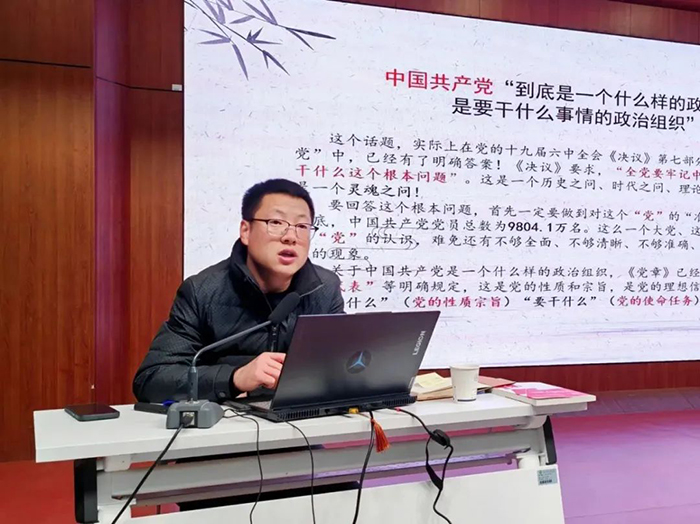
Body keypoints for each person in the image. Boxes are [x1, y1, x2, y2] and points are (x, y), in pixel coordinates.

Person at [133, 178, 344, 403]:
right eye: (276, 222)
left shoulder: (324, 289)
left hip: (300, 421)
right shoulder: (203, 291)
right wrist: (234, 378)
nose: (291, 237)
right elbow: (152, 381)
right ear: (245, 231)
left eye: (302, 226)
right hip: (223, 422)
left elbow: (344, 367)